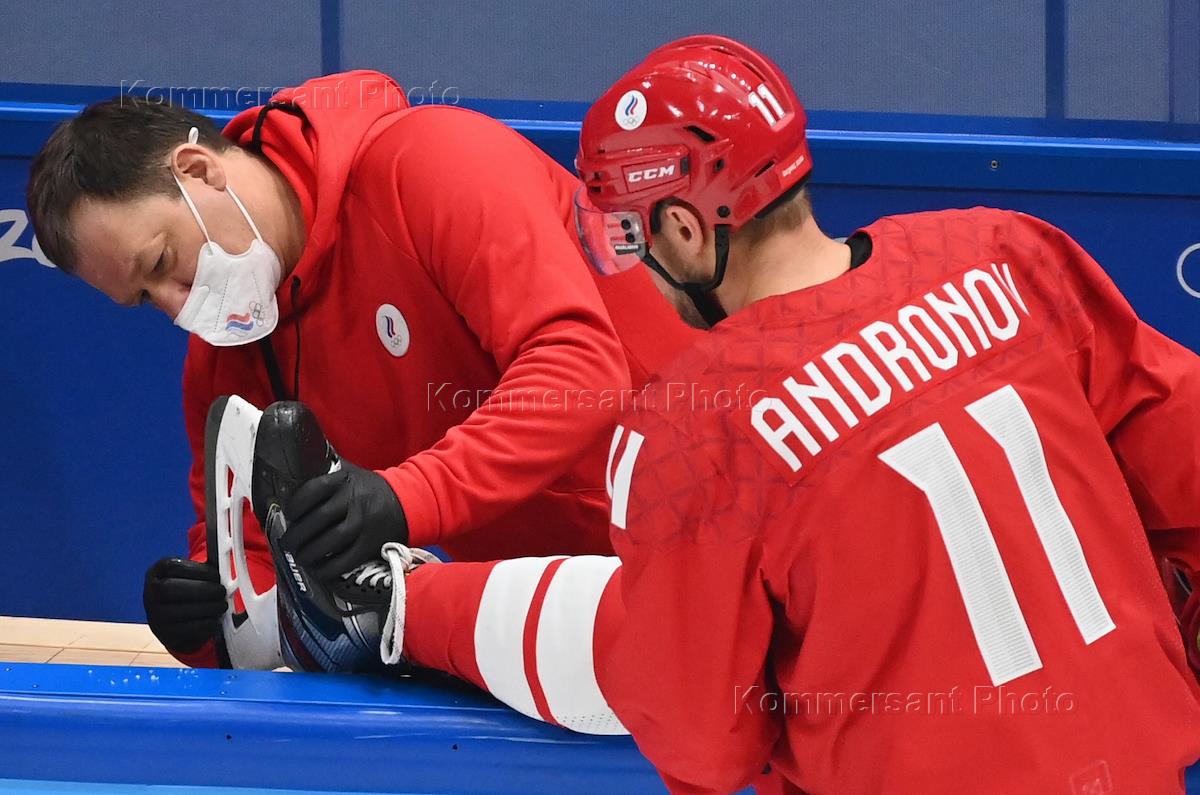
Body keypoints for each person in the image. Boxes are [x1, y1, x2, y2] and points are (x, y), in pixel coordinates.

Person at [265, 35, 1200, 794]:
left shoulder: (696, 421)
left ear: (682, 229)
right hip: (1146, 772)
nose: (629, 268)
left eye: (625, 235)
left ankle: (394, 605)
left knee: (641, 633)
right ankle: (400, 604)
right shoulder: (1006, 251)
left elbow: (704, 742)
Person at [24, 69, 698, 669]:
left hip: (716, 533)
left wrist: (405, 498)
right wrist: (206, 618)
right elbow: (254, 555)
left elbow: (579, 372)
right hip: (572, 613)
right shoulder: (228, 350)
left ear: (198, 170)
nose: (177, 306)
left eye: (161, 262)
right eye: (145, 299)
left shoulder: (435, 162)